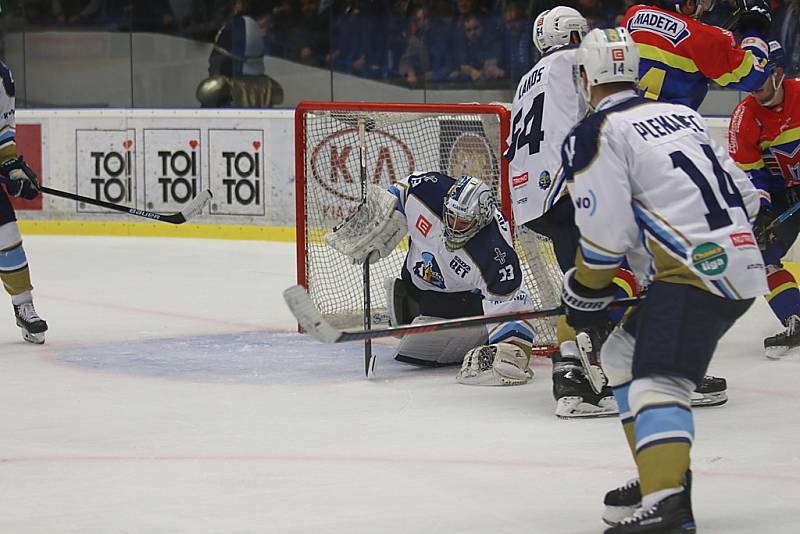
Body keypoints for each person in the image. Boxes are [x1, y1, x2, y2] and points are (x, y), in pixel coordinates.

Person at [560, 27, 766, 531]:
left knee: (657, 377)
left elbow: (607, 237)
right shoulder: (683, 114)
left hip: (693, 272)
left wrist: (584, 290)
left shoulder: (595, 132)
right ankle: (658, 474)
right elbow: (750, 198)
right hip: (737, 261)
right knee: (621, 355)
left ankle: (669, 506)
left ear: (585, 78)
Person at [326, 173, 536, 386]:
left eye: (461, 222)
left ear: (479, 221)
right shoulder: (427, 191)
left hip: (459, 303)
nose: (452, 226)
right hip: (414, 282)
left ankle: (474, 332)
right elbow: (401, 191)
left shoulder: (494, 256)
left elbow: (513, 310)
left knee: (421, 339)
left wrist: (508, 352)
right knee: (408, 312)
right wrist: (379, 215)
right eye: (450, 216)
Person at [729, 40, 800, 358]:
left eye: (759, 76)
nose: (752, 86)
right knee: (761, 255)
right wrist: (763, 210)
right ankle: (795, 318)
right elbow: (748, 174)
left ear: (779, 73)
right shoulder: (744, 117)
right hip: (782, 196)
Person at [623, 0, 773, 110]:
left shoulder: (632, 15)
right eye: (706, 2)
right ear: (689, 3)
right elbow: (755, 78)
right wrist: (754, 29)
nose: (705, 9)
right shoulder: (708, 38)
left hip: (627, 123)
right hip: (672, 130)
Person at [0, 60, 48, 344]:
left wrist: (12, 168)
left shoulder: (1, 76)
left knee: (6, 233)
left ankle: (24, 306)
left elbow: (3, 131)